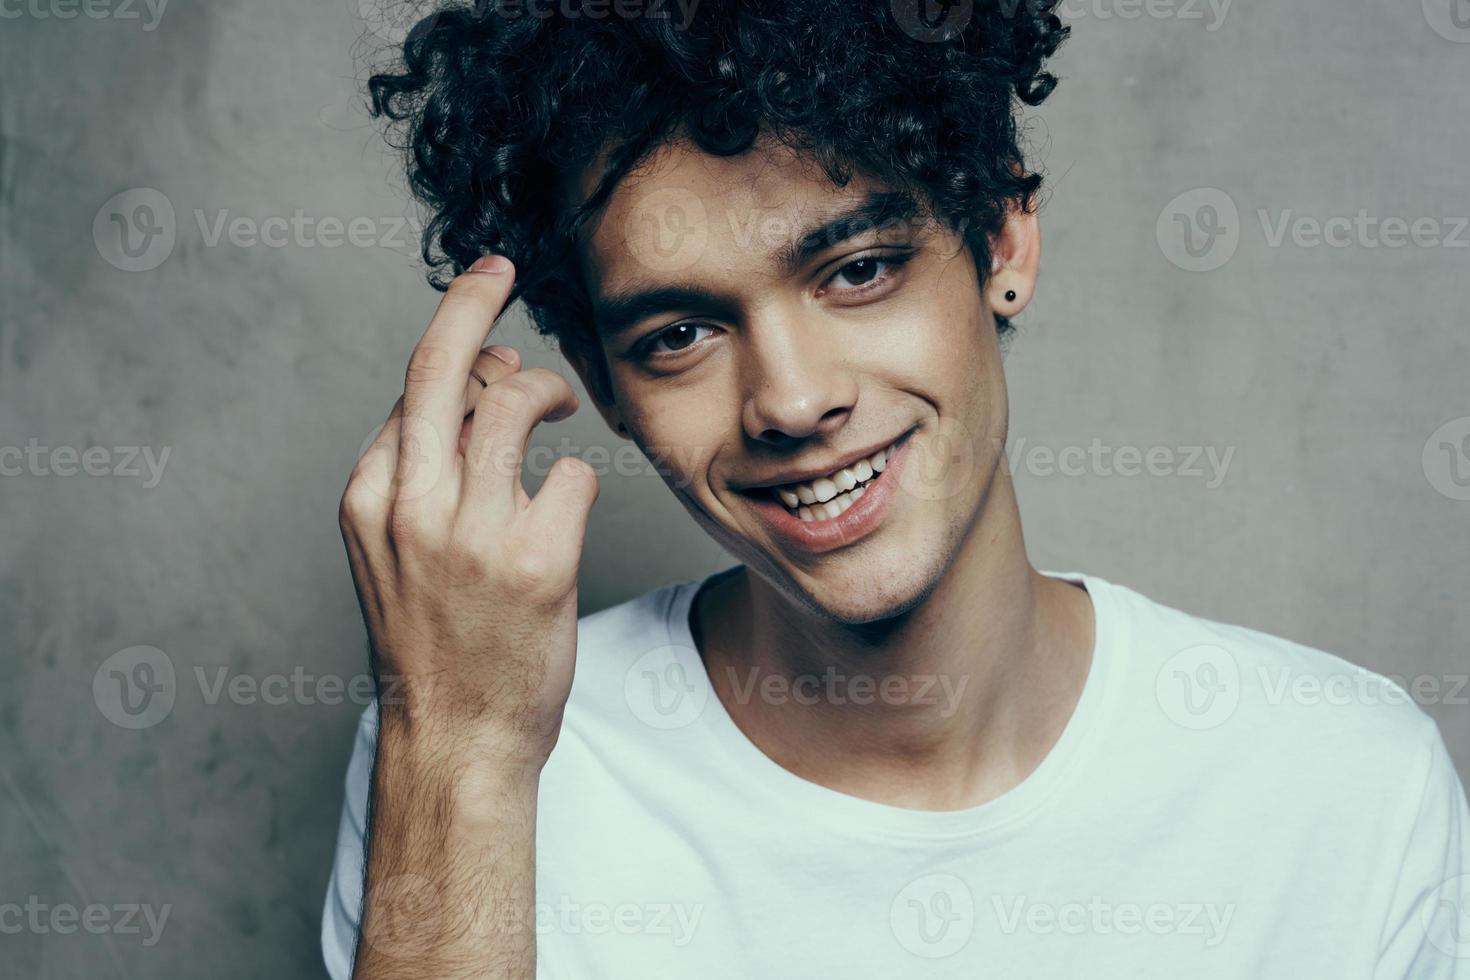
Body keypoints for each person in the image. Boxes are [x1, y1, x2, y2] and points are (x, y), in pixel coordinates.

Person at [324, 2, 1470, 977]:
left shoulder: (1339, 781)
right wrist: (465, 747)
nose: (791, 398)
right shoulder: (466, 759)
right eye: (679, 331)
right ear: (606, 386)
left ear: (1003, 243)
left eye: (858, 269)